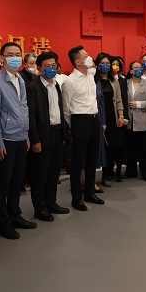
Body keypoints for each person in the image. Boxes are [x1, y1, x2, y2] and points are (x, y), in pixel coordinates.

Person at [0, 43, 37, 238]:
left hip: (20, 138)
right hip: (6, 139)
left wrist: (26, 136)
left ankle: (15, 215)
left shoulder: (20, 79)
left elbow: (24, 108)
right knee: (4, 184)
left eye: (18, 54)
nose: (15, 58)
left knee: (17, 182)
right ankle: (4, 222)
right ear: (2, 59)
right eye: (10, 55)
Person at [26, 52, 69, 222]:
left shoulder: (56, 84)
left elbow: (59, 109)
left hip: (57, 133)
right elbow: (31, 115)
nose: (51, 69)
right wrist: (35, 139)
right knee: (40, 174)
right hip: (42, 134)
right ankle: (40, 208)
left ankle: (51, 202)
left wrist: (63, 133)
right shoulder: (33, 87)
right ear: (39, 68)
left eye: (54, 66)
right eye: (47, 66)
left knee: (53, 172)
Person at [62, 45, 105, 211]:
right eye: (86, 56)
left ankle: (89, 192)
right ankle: (77, 197)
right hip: (80, 121)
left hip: (94, 120)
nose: (90, 58)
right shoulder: (70, 81)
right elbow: (66, 108)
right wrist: (73, 125)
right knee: (78, 162)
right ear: (78, 61)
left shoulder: (91, 75)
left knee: (92, 159)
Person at [94, 53, 124, 187]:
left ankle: (107, 175)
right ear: (97, 65)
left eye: (107, 64)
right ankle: (91, 178)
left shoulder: (114, 81)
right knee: (97, 147)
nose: (105, 66)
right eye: (102, 63)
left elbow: (118, 100)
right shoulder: (93, 80)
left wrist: (121, 116)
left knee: (109, 147)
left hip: (112, 117)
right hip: (98, 118)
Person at [124, 62, 146, 181]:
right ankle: (131, 171)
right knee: (131, 148)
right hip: (130, 120)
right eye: (136, 67)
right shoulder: (125, 83)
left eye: (140, 67)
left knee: (145, 149)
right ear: (131, 71)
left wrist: (139, 104)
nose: (138, 69)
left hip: (143, 120)